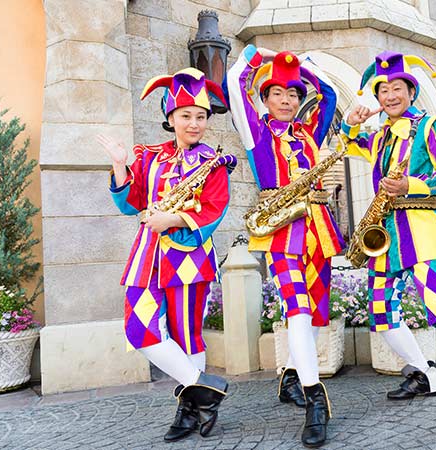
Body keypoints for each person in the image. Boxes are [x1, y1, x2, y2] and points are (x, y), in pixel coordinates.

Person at [341, 51, 436, 430]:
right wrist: (350, 125)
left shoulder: (430, 125)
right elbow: (350, 148)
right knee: (381, 313)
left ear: (411, 91)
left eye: (397, 88)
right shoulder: (380, 136)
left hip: (420, 228)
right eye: (383, 90)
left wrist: (412, 184)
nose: (390, 95)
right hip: (385, 237)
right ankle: (425, 373)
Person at [98, 67, 237, 442]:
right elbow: (131, 204)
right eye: (185, 115)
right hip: (147, 256)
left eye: (200, 116)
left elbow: (215, 207)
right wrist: (118, 163)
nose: (194, 123)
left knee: (187, 335)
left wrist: (173, 217)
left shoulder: (215, 163)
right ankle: (205, 390)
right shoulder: (149, 157)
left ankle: (189, 412)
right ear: (170, 117)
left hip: (190, 258)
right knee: (139, 329)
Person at [226, 45, 343, 448]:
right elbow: (235, 80)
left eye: (293, 94)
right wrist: (262, 57)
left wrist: (301, 66)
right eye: (278, 93)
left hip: (317, 227)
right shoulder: (254, 130)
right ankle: (314, 398)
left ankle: (291, 376)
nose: (287, 100)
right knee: (297, 308)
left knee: (313, 315)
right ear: (265, 98)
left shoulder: (310, 130)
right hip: (281, 231)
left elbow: (329, 94)